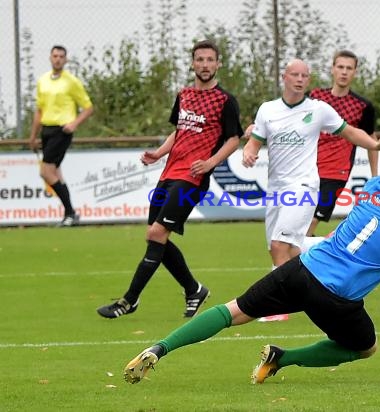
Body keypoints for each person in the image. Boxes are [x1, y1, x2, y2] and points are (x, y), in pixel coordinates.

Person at [122, 134, 380, 385]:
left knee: (233, 310)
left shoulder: (375, 186)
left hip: (301, 269)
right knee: (364, 348)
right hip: (337, 299)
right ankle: (282, 359)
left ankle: (160, 348)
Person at [96, 40, 243, 319]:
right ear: (192, 63)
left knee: (156, 234)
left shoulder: (225, 100)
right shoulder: (184, 94)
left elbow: (234, 138)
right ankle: (193, 289)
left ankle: (128, 301)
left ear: (218, 64)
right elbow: (180, 130)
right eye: (199, 59)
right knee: (156, 238)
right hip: (169, 174)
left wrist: (210, 163)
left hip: (192, 179)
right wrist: (159, 153)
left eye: (210, 60)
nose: (205, 65)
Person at [242, 58, 380, 271]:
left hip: (304, 186)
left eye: (304, 76)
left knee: (280, 247)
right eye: (295, 74)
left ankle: (279, 301)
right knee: (287, 249)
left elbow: (350, 132)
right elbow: (253, 143)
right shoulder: (267, 110)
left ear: (308, 81)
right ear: (283, 77)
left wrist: (376, 145)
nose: (299, 79)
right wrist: (248, 153)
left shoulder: (318, 109)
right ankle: (334, 244)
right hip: (277, 189)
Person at [307, 49, 378, 237]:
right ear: (332, 69)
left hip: (336, 173)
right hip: (307, 168)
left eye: (349, 68)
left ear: (355, 72)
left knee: (312, 220)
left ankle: (295, 263)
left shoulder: (362, 106)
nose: (344, 72)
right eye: (340, 67)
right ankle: (304, 258)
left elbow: (371, 140)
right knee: (299, 220)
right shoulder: (314, 97)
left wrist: (375, 175)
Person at [28, 45, 94, 227]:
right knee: (56, 173)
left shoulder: (71, 81)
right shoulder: (42, 81)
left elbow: (88, 107)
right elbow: (39, 110)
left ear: (65, 60)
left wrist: (74, 123)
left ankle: (70, 212)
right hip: (47, 130)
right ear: (50, 58)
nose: (57, 59)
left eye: (61, 56)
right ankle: (70, 215)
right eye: (55, 56)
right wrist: (33, 136)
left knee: (45, 171)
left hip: (62, 131)